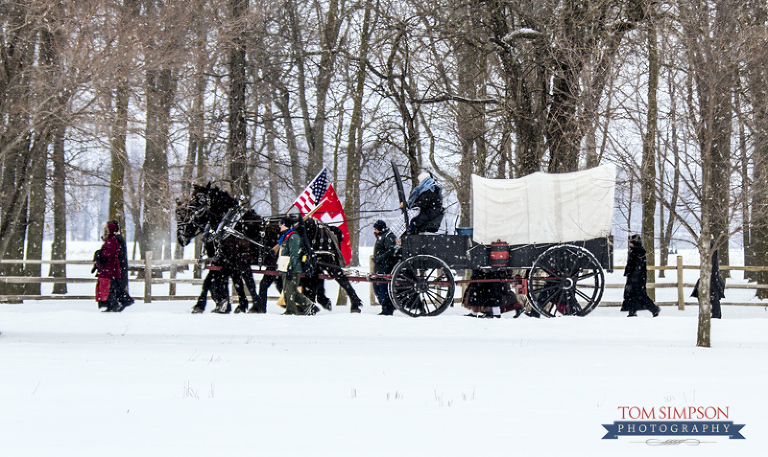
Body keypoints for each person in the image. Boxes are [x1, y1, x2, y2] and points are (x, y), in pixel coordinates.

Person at [276, 216, 316, 315]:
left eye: (281, 224)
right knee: (289, 291)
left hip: (292, 268)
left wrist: (291, 267)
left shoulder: (294, 237)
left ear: (286, 225)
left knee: (289, 291)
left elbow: (295, 254)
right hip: (286, 267)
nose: (279, 226)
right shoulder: (286, 236)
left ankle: (291, 311)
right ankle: (308, 304)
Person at [93, 221, 132, 312]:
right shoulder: (113, 240)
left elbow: (110, 253)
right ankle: (113, 304)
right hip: (110, 269)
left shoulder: (112, 240)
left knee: (109, 288)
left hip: (110, 270)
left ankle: (114, 304)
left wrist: (100, 253)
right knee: (111, 287)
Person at [621, 234, 660, 317]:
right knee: (631, 295)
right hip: (633, 277)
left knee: (640, 295)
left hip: (637, 278)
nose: (629, 243)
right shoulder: (634, 251)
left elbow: (638, 266)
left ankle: (653, 309)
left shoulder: (639, 252)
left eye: (631, 242)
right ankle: (632, 312)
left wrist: (634, 276)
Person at [691, 237, 725, 319]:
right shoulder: (710, 245)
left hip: (711, 281)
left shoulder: (710, 246)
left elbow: (711, 265)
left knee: (712, 306)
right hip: (711, 280)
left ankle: (709, 318)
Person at [372, 220, 398, 315]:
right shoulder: (381, 236)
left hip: (385, 267)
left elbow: (390, 251)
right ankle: (385, 307)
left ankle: (387, 309)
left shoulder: (387, 236)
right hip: (380, 267)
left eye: (375, 229)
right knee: (377, 288)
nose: (374, 231)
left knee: (383, 288)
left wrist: (379, 258)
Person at [110, 220, 134, 308]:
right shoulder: (117, 240)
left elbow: (114, 254)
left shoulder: (116, 240)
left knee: (117, 286)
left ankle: (121, 302)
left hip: (117, 269)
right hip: (117, 268)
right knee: (117, 286)